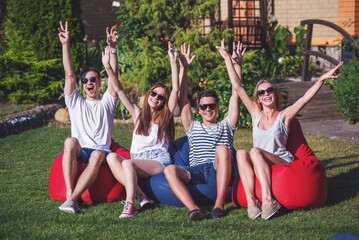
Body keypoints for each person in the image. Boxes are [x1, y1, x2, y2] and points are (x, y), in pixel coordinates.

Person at [216, 39, 343, 220]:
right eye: (261, 92)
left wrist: (321, 78)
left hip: (280, 161)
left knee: (255, 151)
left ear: (275, 94)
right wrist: (229, 60)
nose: (266, 94)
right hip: (258, 160)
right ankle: (252, 203)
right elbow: (237, 86)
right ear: (258, 98)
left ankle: (268, 200)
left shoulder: (284, 116)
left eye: (269, 90)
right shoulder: (255, 114)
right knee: (242, 153)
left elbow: (305, 99)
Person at [164, 42, 243, 221]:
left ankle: (219, 205)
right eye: (203, 106)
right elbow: (183, 98)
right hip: (195, 171)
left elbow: (236, 94)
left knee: (223, 149)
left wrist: (235, 64)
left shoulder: (227, 124)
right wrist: (183, 68)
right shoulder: (193, 127)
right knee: (169, 170)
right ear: (198, 110)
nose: (208, 109)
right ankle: (194, 209)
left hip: (217, 170)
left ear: (218, 107)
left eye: (211, 105)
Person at [105, 39, 179, 218]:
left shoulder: (164, 116)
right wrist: (108, 67)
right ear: (148, 95)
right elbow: (120, 90)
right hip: (138, 160)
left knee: (127, 162)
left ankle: (130, 203)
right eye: (153, 93)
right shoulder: (137, 114)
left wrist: (173, 62)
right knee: (112, 157)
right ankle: (143, 196)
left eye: (161, 97)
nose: (156, 98)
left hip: (157, 160)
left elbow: (175, 89)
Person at [57, 22, 119, 214]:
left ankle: (72, 199)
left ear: (99, 82)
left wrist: (113, 49)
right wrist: (65, 45)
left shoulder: (107, 102)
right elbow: (69, 75)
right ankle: (70, 195)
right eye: (85, 81)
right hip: (81, 151)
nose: (89, 83)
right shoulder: (76, 102)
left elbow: (114, 76)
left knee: (97, 154)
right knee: (69, 141)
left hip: (101, 152)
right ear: (82, 85)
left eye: (93, 79)